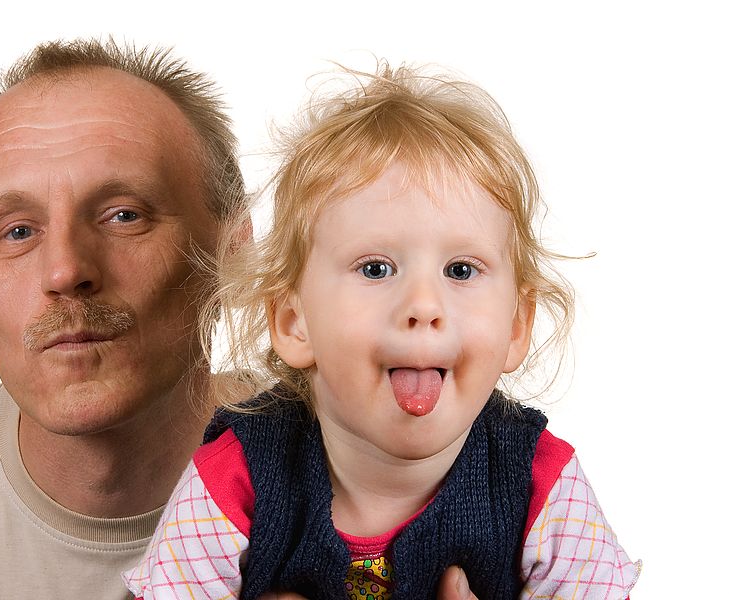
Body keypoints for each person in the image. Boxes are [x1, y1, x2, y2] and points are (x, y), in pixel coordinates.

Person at [123, 63, 641, 599]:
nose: (423, 306)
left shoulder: (541, 484)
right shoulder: (236, 479)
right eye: (376, 269)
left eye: (461, 270)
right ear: (293, 321)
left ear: (516, 325)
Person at [0, 38, 246, 598]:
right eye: (18, 231)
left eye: (124, 215)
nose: (66, 269)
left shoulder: (375, 479)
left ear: (234, 257)